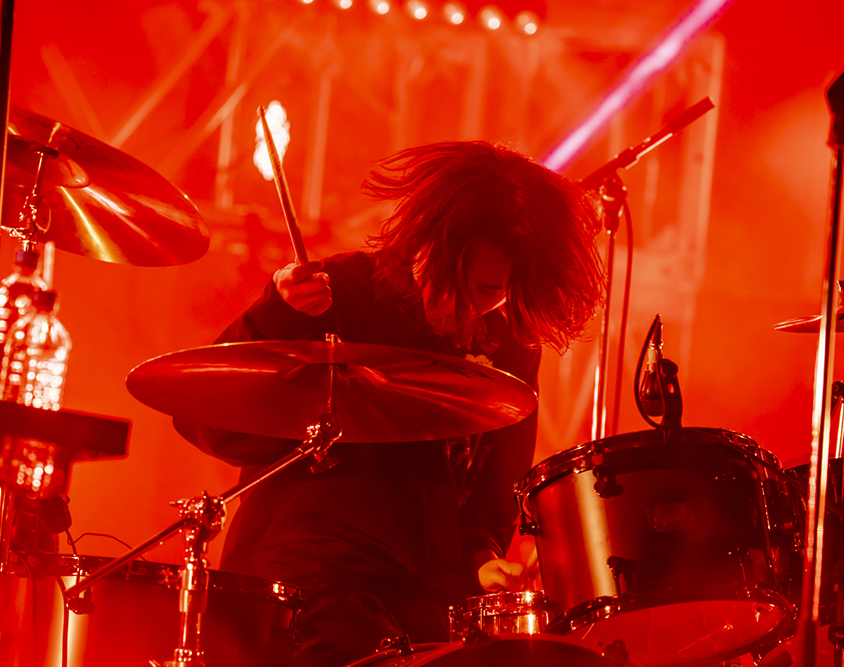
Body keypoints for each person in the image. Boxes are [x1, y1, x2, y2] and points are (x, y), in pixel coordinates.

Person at [175, 140, 605, 666]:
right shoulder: (334, 294)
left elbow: (494, 493)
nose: (461, 305)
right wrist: (275, 315)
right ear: (424, 242)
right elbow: (208, 421)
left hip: (426, 599)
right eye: (450, 279)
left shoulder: (510, 343)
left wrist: (483, 560)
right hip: (303, 579)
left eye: (488, 290)